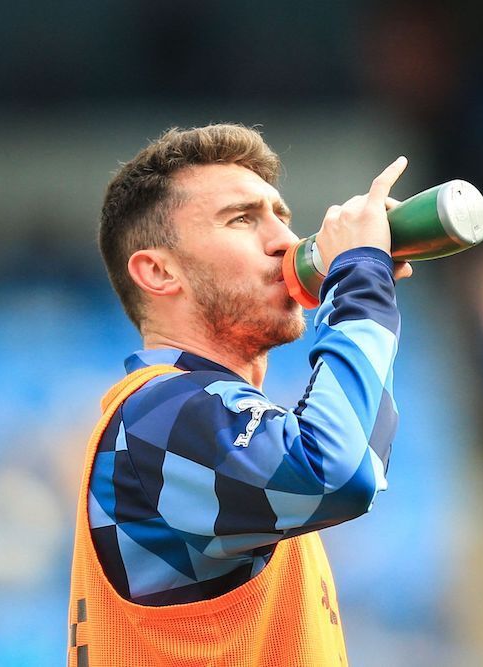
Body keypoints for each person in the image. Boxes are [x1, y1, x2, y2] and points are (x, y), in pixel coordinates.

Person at [67, 123, 412, 666]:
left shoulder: (211, 425)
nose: (283, 241)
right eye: (244, 219)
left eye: (282, 216)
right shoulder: (159, 413)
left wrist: (368, 284)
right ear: (158, 271)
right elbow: (339, 471)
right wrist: (360, 282)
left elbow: (359, 451)